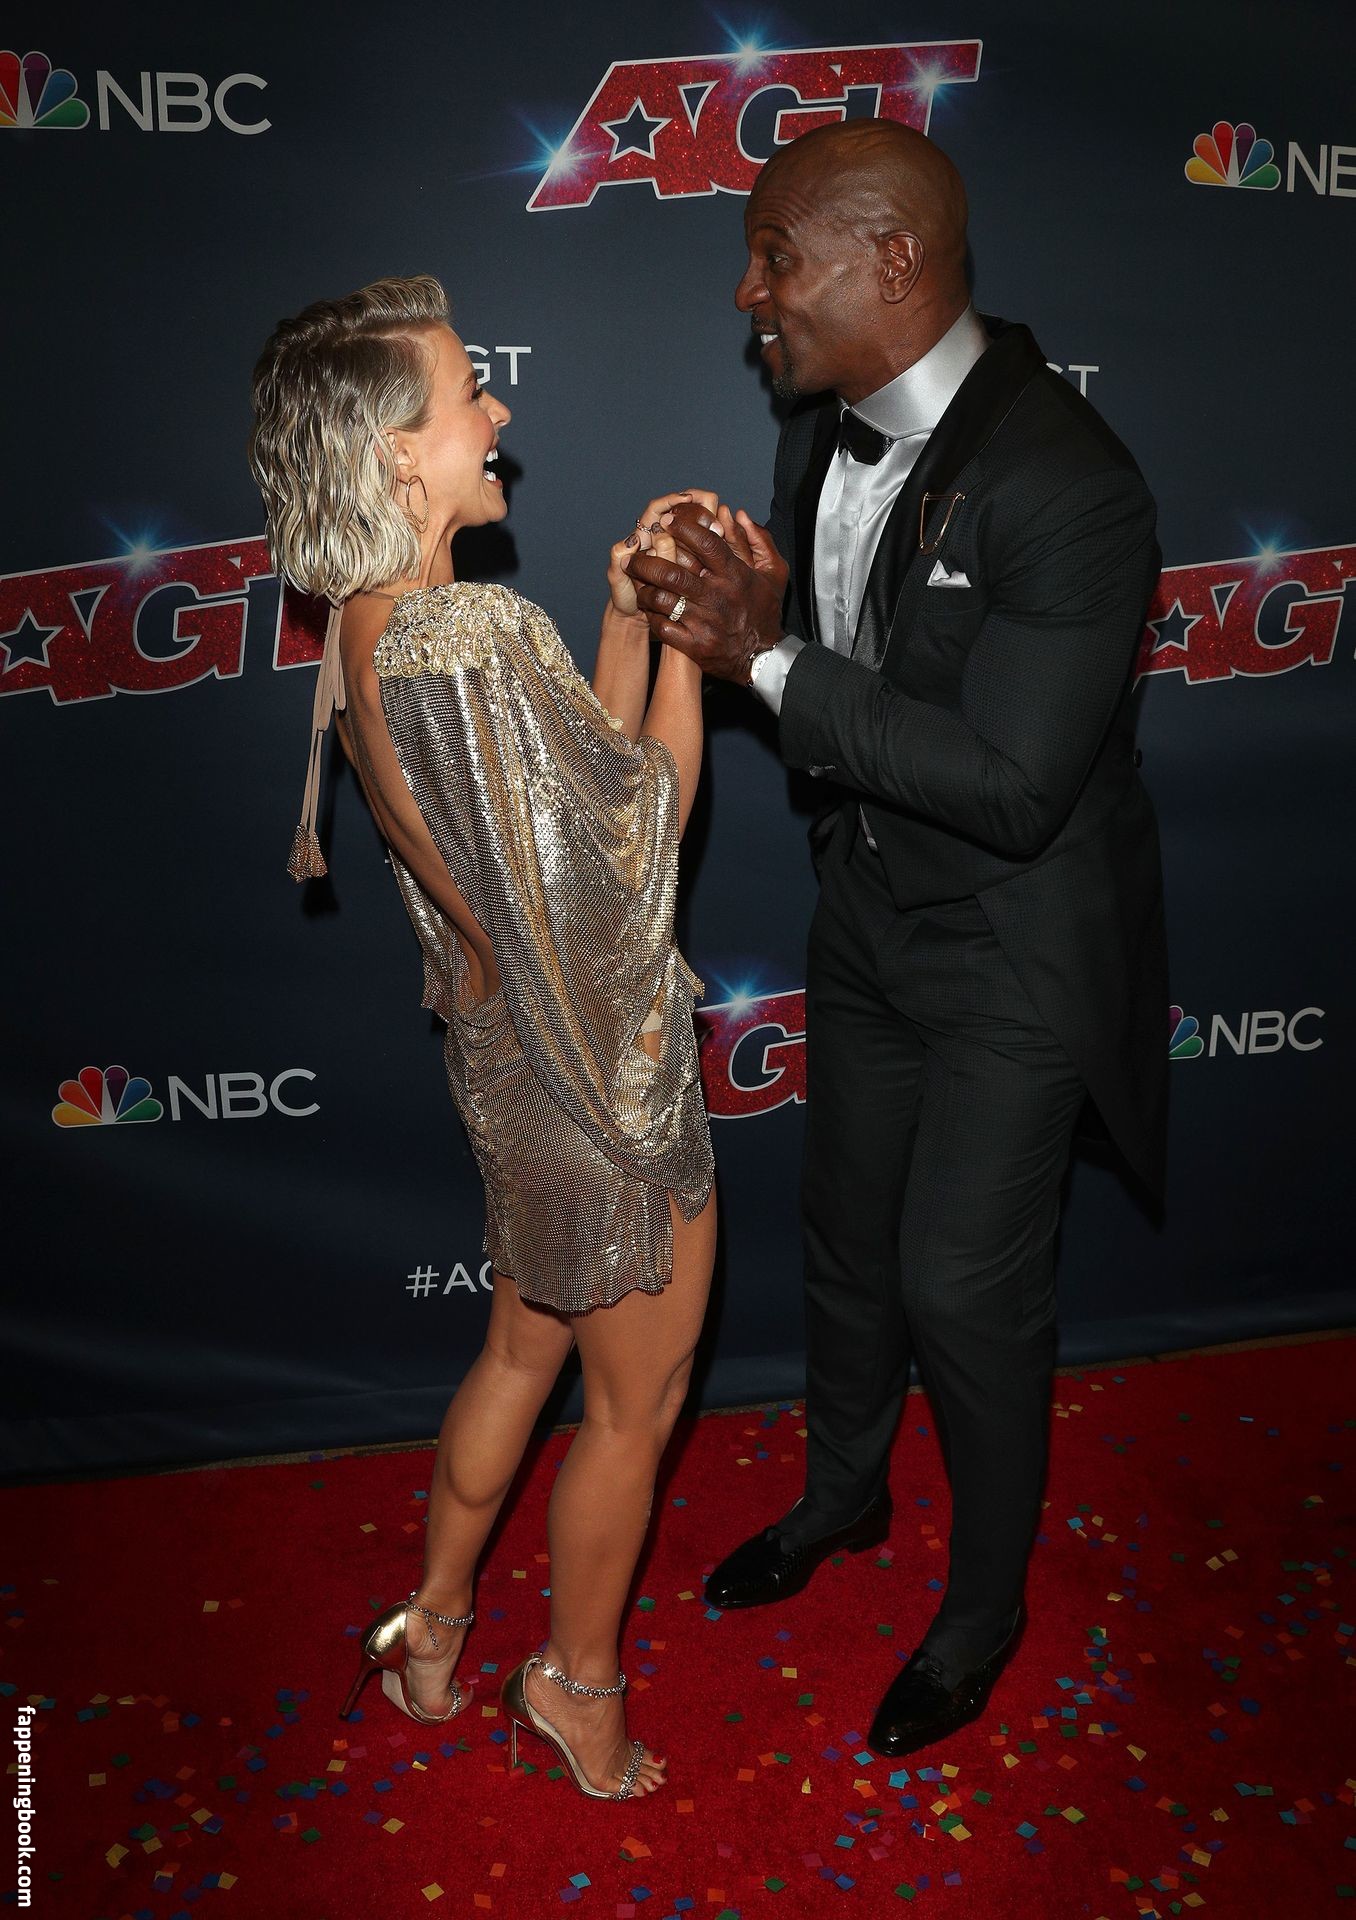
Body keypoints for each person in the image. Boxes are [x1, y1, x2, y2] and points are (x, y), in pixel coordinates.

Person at [630, 120, 1168, 1758]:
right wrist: (761, 604)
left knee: (962, 1287)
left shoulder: (1071, 482)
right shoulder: (826, 426)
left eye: (775, 257)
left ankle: (985, 1608)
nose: (750, 294)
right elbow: (862, 664)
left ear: (895, 262)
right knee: (847, 1235)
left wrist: (767, 659)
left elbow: (1012, 786)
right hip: (866, 908)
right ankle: (843, 1496)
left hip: (1014, 942)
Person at [248, 275, 717, 1800]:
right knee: (634, 1408)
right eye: (467, 393)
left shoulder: (368, 629)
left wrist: (624, 618)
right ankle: (576, 1691)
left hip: (512, 1069)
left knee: (522, 1349)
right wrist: (696, 647)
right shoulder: (468, 637)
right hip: (601, 1083)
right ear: (399, 454)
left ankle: (433, 1635)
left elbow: (571, 797)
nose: (498, 407)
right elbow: (633, 848)